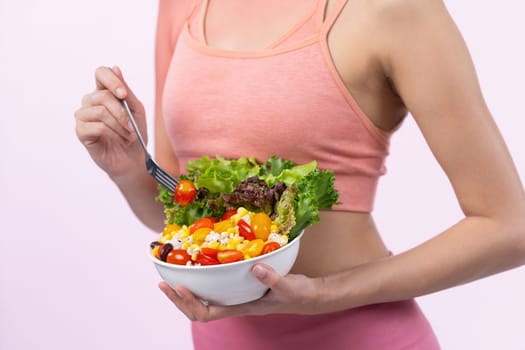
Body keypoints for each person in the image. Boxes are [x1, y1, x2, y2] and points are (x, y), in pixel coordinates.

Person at [75, 0, 525, 348]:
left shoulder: (393, 9)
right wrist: (130, 167)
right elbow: (177, 214)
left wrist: (325, 293)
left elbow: (509, 227)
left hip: (361, 339)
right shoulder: (185, 4)